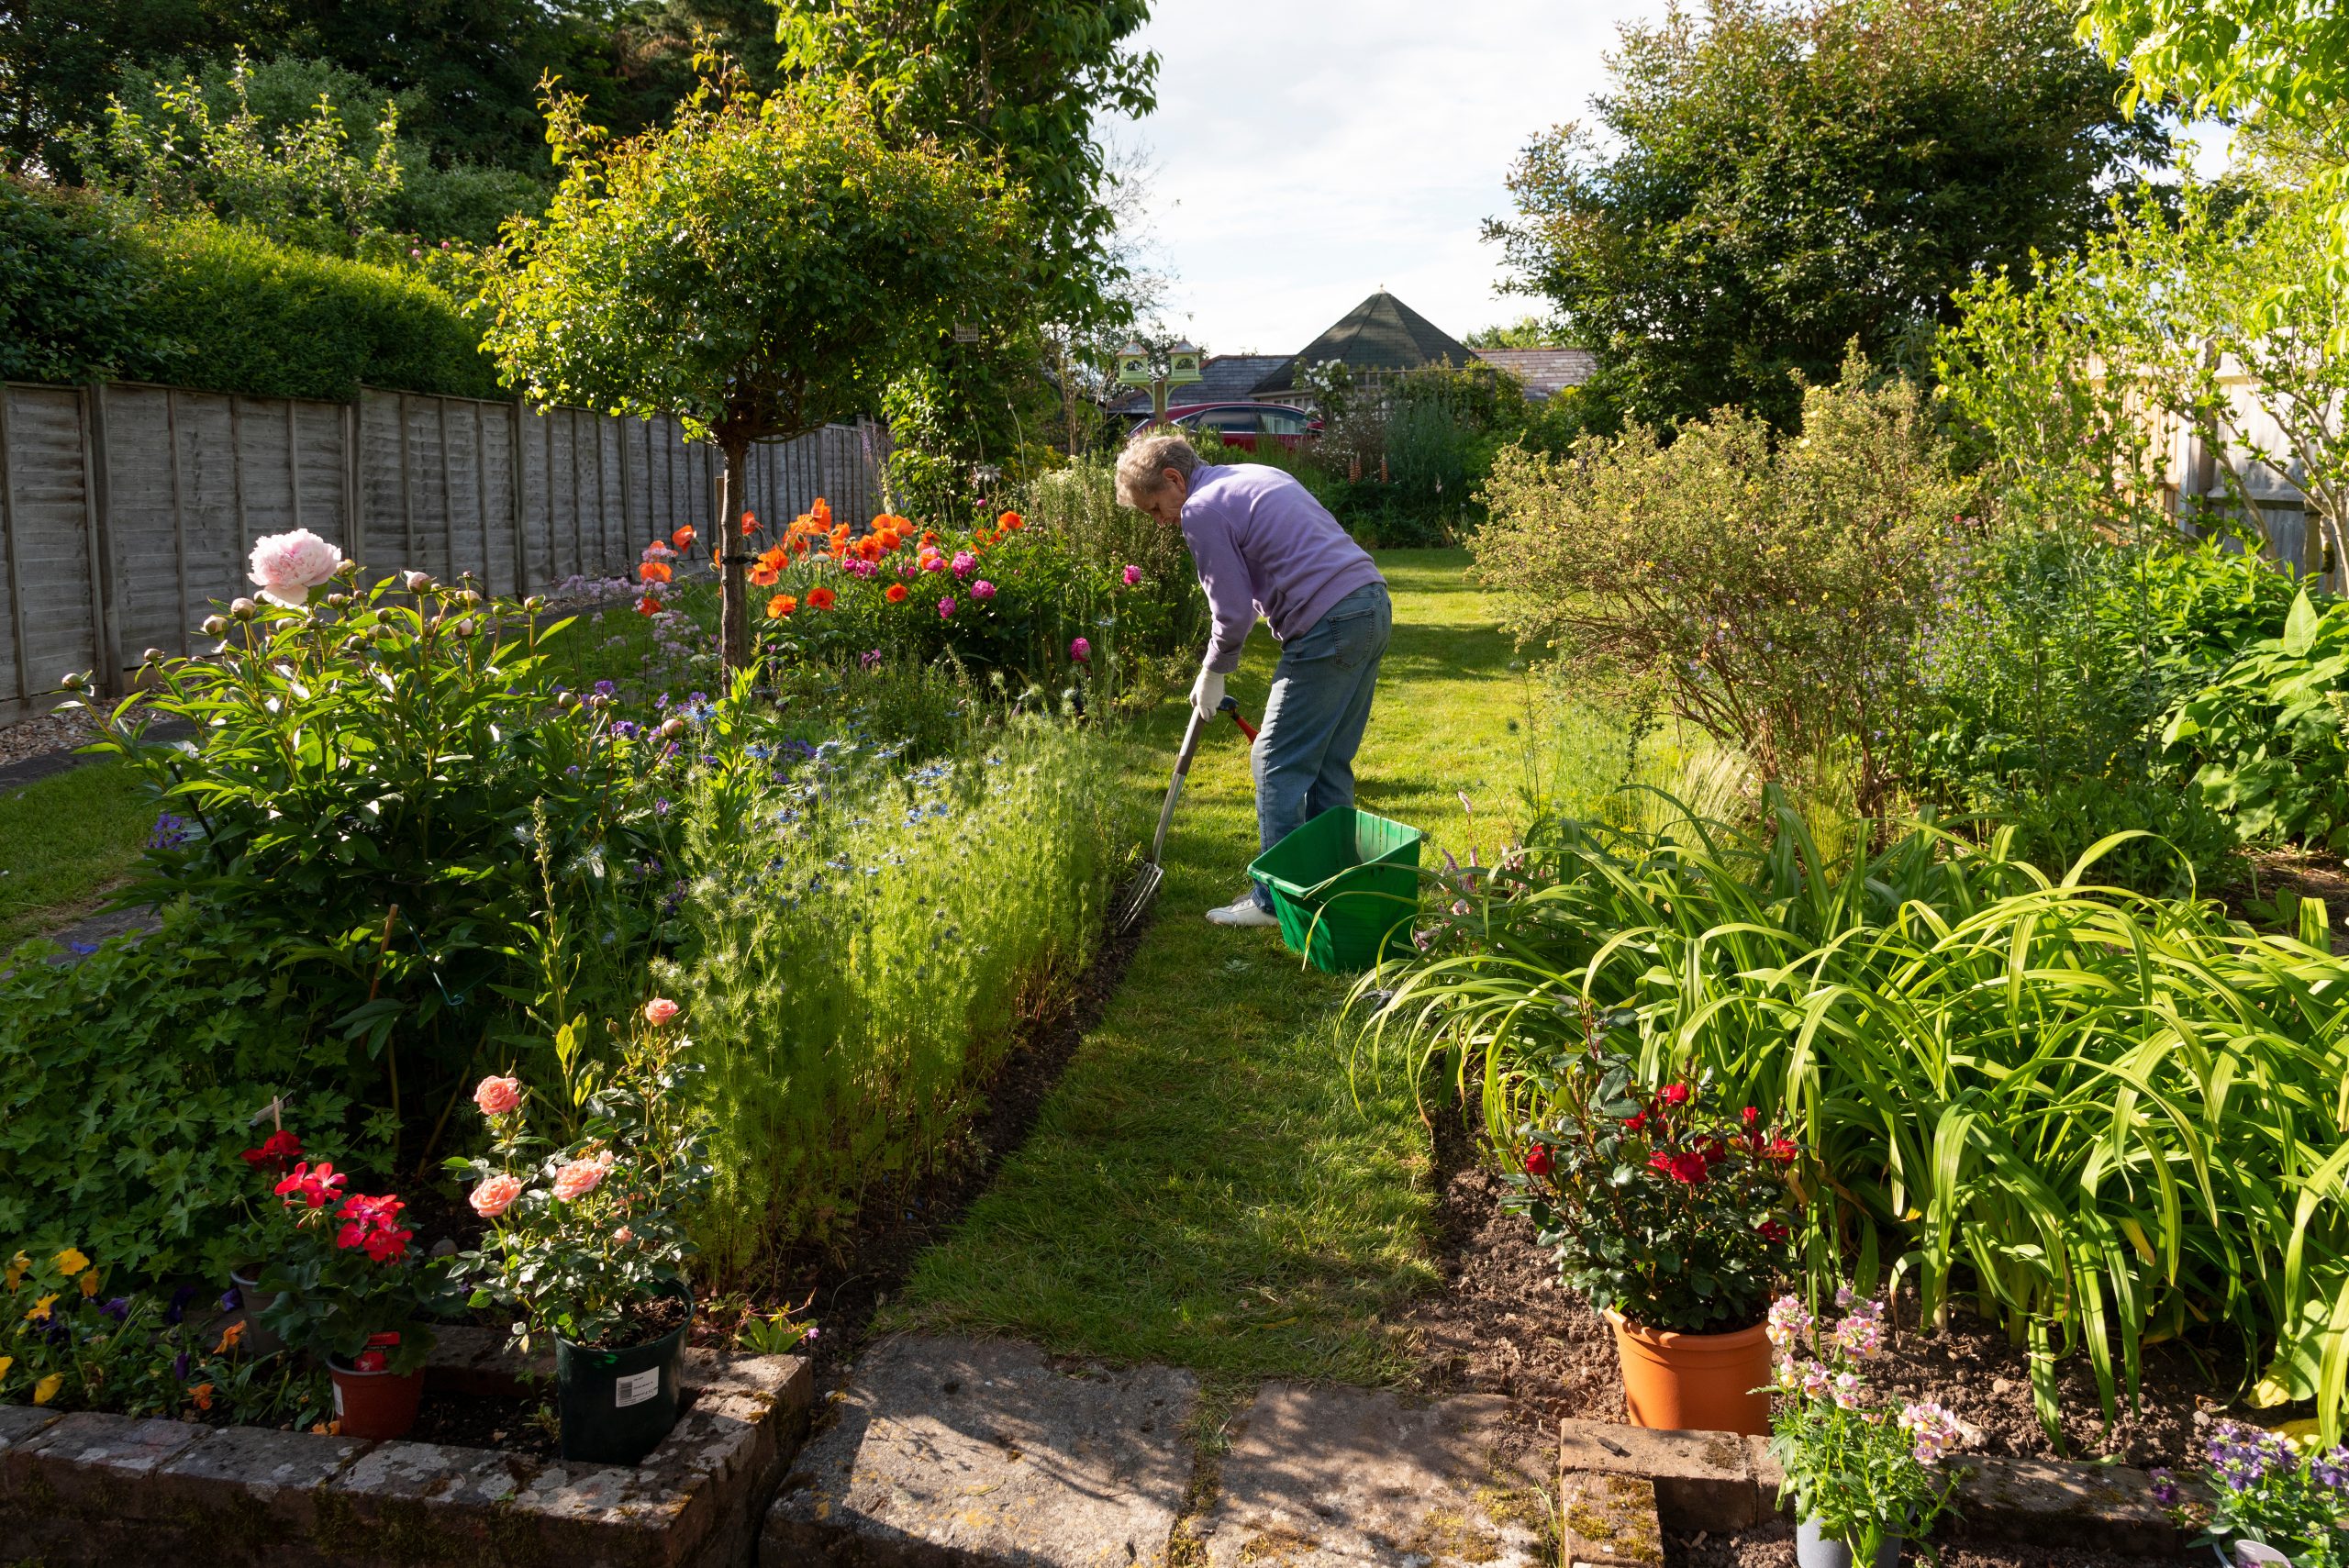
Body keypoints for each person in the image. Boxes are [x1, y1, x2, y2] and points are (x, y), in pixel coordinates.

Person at [1115, 431, 1391, 929]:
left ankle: (1273, 900)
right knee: (1329, 759)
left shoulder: (1201, 509)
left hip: (1328, 621)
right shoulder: (1255, 476)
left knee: (1273, 761)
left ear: (1174, 480)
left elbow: (1233, 612)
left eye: (1155, 508)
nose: (1160, 523)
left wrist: (1212, 669)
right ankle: (1334, 884)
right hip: (1370, 603)